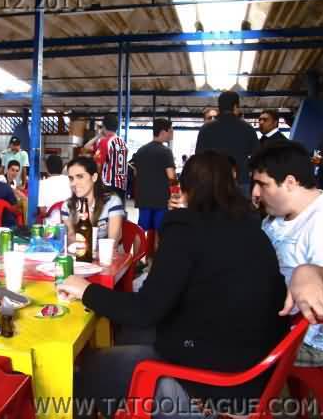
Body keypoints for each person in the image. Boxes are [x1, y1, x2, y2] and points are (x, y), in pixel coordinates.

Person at [58, 151, 289, 417]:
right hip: (254, 372)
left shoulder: (186, 231)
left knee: (91, 366)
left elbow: (145, 310)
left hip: (214, 384)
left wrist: (85, 290)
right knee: (128, 335)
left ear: (185, 189)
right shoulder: (253, 230)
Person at [250, 141, 323, 367]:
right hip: (273, 316)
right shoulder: (278, 216)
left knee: (209, 344)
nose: (255, 193)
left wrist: (312, 273)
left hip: (307, 337)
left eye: (262, 184)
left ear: (290, 182)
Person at [195, 91, 259, 188]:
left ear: (219, 107)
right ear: (235, 107)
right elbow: (257, 157)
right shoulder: (248, 128)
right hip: (241, 181)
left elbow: (199, 158)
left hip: (214, 182)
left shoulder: (206, 129)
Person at [60, 156, 124, 246]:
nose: (73, 183)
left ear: (94, 177)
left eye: (80, 177)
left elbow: (112, 243)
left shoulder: (112, 202)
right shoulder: (67, 206)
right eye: (71, 178)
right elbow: (70, 240)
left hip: (107, 253)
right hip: (79, 253)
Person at [133, 119, 176, 248]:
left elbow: (136, 172)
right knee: (160, 231)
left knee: (140, 229)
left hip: (143, 197)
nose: (172, 134)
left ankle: (137, 258)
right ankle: (156, 259)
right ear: (163, 132)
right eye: (170, 131)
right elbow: (171, 176)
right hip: (160, 199)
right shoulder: (165, 151)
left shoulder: (141, 150)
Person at [93, 114, 128, 204]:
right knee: (118, 211)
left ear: (104, 127)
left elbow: (98, 165)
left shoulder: (105, 142)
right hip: (122, 185)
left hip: (108, 185)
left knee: (105, 211)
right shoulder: (122, 143)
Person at [38, 155, 71, 224]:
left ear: (47, 168)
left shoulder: (41, 184)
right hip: (70, 223)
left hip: (50, 226)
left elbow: (42, 211)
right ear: (62, 167)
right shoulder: (70, 181)